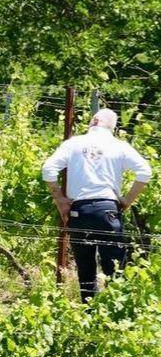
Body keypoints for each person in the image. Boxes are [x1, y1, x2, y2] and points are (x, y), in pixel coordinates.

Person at [41, 108, 152, 301]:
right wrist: (126, 200)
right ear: (113, 127)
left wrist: (59, 199)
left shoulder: (74, 143)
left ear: (93, 121)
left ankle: (88, 312)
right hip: (107, 211)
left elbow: (48, 169)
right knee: (114, 267)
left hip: (79, 211)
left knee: (85, 267)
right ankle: (114, 313)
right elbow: (145, 172)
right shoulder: (119, 146)